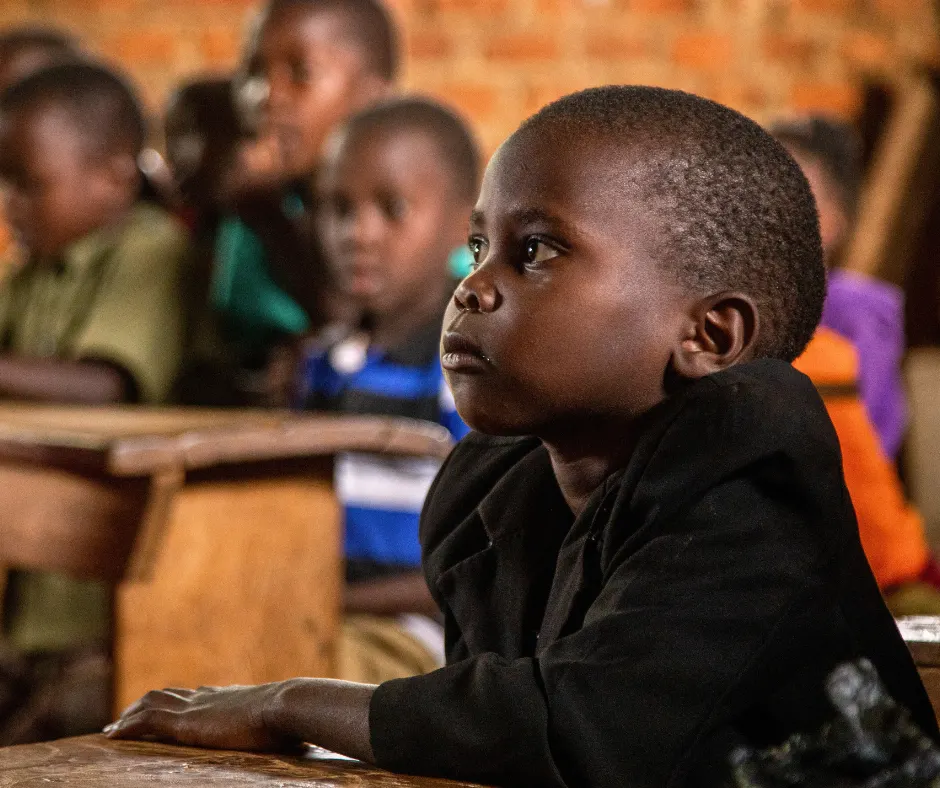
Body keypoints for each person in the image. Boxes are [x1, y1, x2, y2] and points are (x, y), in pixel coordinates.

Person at [106, 86, 938, 788]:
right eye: (479, 248)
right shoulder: (494, 493)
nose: (472, 288)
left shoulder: (756, 474)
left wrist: (281, 702)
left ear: (710, 337)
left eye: (534, 251)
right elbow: (492, 752)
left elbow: (576, 731)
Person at [0, 61, 188, 740]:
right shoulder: (36, 270)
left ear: (112, 176)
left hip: (108, 602)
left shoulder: (151, 249)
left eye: (30, 183)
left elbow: (108, 383)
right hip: (31, 589)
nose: (11, 203)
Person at [296, 97, 476, 682]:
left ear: (462, 223)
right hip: (318, 618)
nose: (358, 233)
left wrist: (329, 604)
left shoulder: (464, 370)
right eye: (339, 208)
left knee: (258, 667)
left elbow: (481, 566)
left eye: (391, 209)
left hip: (417, 640)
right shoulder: (327, 359)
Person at [193, 0, 397, 406]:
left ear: (371, 96)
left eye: (300, 74)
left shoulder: (397, 206)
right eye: (253, 75)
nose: (267, 97)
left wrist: (268, 217)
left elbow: (362, 330)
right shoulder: (258, 196)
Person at [770, 116, 906, 460]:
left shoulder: (860, 313)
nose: (766, 213)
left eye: (790, 196)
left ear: (834, 221)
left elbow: (859, 444)